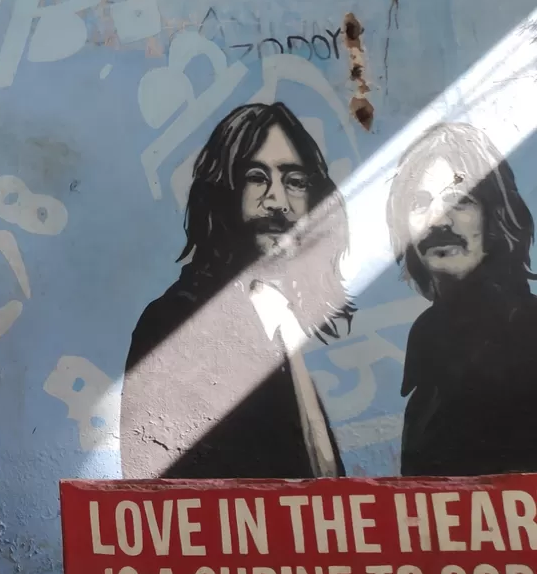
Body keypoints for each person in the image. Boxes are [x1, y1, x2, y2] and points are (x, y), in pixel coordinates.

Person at [120, 102, 355, 480]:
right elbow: (157, 496)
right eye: (257, 177)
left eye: (294, 181)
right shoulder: (174, 323)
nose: (277, 201)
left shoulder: (285, 324)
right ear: (223, 193)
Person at [386, 122, 537, 476]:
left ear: (496, 217)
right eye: (420, 203)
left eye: (460, 200)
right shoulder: (428, 342)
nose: (438, 219)